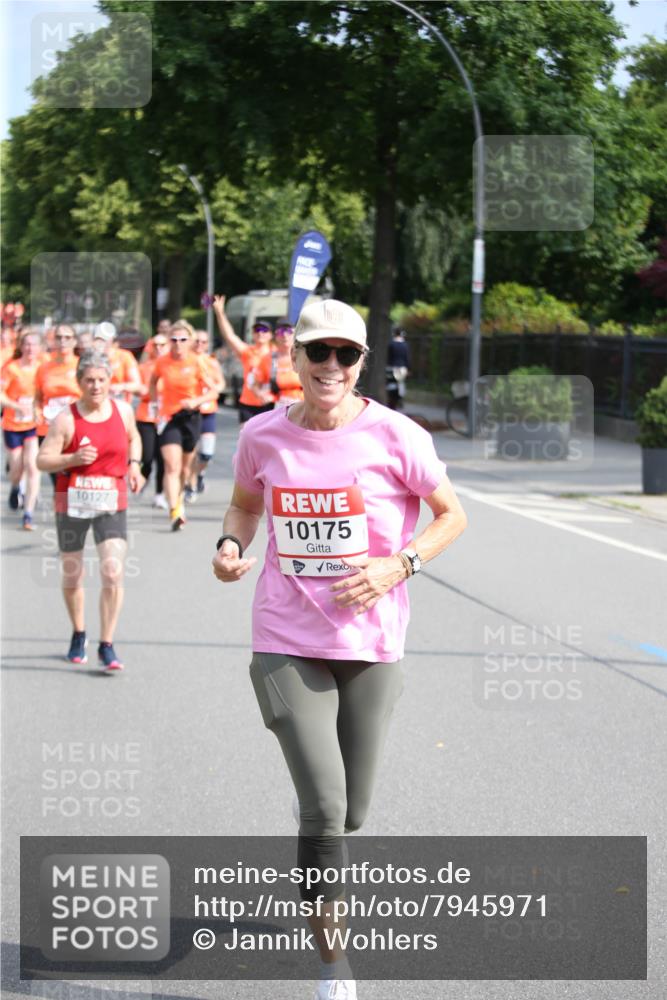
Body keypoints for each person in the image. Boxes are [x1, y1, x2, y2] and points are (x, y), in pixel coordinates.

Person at [211, 299, 467, 1000]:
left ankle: (316, 819)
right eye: (317, 352)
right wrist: (231, 545)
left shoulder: (397, 435)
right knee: (327, 812)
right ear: (292, 357)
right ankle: (334, 968)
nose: (330, 366)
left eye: (344, 355)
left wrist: (399, 564)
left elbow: (452, 515)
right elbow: (244, 505)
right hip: (285, 639)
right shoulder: (263, 435)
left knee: (348, 812)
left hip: (371, 642)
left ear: (360, 364)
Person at [36, 349, 144, 672]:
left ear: (110, 380)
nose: (96, 386)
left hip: (111, 497)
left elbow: (134, 437)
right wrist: (71, 459)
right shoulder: (66, 419)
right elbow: (43, 460)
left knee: (112, 569)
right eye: (89, 380)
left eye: (101, 379)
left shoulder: (123, 410)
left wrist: (135, 465)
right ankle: (79, 633)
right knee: (73, 571)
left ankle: (107, 644)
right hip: (71, 499)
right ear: (79, 382)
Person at [149, 319, 218, 531]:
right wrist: (155, 404)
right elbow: (152, 382)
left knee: (185, 469)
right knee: (171, 465)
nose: (177, 343)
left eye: (182, 339)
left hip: (192, 417)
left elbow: (213, 390)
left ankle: (178, 498)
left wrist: (196, 401)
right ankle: (175, 510)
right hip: (169, 418)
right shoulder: (162, 362)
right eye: (174, 339)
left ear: (190, 341)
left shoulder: (197, 362)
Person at [1, 329, 42, 527]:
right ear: (21, 346)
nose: (30, 348)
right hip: (12, 424)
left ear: (39, 347)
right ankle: (16, 486)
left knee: (33, 466)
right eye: (27, 344)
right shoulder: (11, 368)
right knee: (17, 468)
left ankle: (28, 512)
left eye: (34, 344)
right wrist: (16, 406)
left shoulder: (42, 368)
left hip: (34, 426)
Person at [212, 295, 274, 422]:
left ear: (270, 335)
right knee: (246, 438)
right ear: (252, 334)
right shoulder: (247, 351)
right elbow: (229, 336)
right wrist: (220, 313)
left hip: (270, 402)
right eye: (256, 330)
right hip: (248, 403)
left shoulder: (277, 353)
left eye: (264, 330)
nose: (260, 333)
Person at [185, 329, 225, 501]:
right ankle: (190, 486)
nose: (200, 345)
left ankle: (199, 474)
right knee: (191, 453)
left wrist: (212, 386)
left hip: (208, 411)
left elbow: (221, 384)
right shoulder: (186, 362)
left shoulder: (211, 362)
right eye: (197, 341)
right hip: (192, 412)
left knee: (206, 454)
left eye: (203, 342)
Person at [135, 330, 169, 507]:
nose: (159, 348)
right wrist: (144, 391)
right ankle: (143, 477)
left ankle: (159, 493)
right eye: (155, 345)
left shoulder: (172, 366)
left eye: (163, 344)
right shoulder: (144, 367)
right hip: (146, 416)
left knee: (163, 458)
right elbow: (138, 388)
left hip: (166, 417)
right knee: (147, 457)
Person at [255, 319, 303, 407]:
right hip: (278, 406)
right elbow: (255, 384)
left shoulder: (303, 356)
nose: (285, 335)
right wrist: (262, 395)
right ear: (276, 337)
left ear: (295, 335)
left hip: (303, 405)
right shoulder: (268, 358)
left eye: (289, 331)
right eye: (281, 332)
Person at [93, 322, 143, 402]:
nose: (101, 342)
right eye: (98, 338)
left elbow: (137, 384)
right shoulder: (92, 357)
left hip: (120, 403)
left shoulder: (124, 356)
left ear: (112, 338)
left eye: (105, 338)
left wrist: (121, 387)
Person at [386, 326, 411, 410]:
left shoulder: (391, 344)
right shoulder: (405, 345)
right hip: (402, 368)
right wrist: (408, 369)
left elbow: (389, 357)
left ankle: (392, 404)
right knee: (400, 385)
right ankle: (399, 400)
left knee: (392, 386)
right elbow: (407, 358)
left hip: (392, 368)